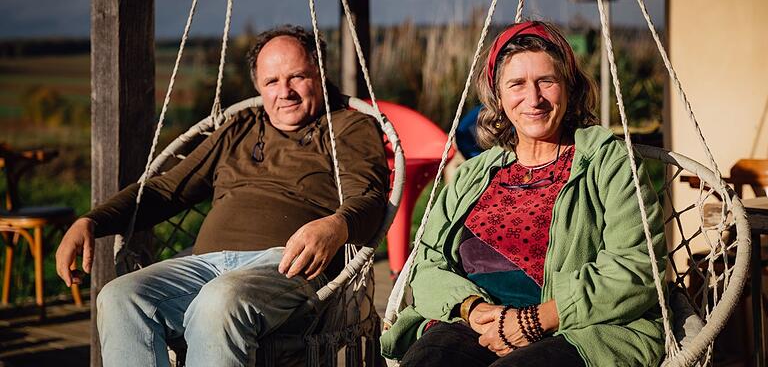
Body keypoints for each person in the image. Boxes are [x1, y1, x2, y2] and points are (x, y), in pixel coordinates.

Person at [55, 25, 390, 367]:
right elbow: (165, 189)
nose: (284, 91)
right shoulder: (239, 128)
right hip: (203, 266)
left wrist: (337, 225)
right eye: (271, 82)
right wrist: (92, 220)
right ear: (258, 86)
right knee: (120, 297)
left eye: (297, 77)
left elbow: (370, 197)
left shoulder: (347, 129)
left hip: (287, 267)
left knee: (219, 300)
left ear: (320, 73)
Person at [380, 21, 666, 366]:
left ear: (570, 89)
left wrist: (534, 320)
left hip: (579, 329)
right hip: (475, 323)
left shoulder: (609, 162)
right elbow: (428, 264)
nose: (534, 99)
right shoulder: (474, 173)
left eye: (547, 81)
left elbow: (636, 269)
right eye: (517, 84)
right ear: (498, 97)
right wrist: (473, 309)